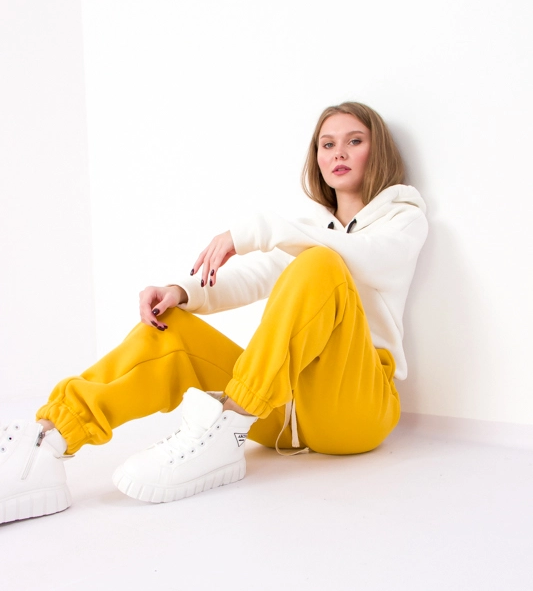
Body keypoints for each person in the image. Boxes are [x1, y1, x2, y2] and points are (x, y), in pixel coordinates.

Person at [0, 102, 428, 523]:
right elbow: (254, 277)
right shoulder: (311, 233)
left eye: (354, 141)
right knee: (171, 329)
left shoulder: (403, 219)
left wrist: (256, 231)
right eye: (327, 144)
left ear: (378, 150)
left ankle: (227, 422)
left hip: (357, 411)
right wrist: (181, 291)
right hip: (281, 414)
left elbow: (366, 256)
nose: (338, 153)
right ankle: (46, 444)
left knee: (320, 264)